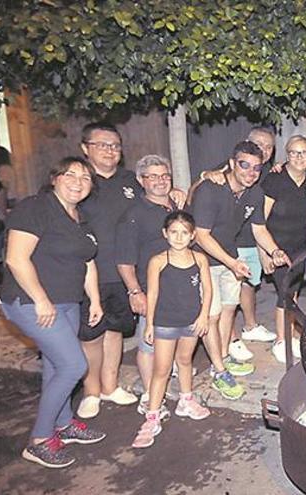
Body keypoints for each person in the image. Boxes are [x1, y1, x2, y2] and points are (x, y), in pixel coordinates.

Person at [0, 157, 106, 468]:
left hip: (68, 302)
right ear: (55, 178)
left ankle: (64, 424)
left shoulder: (79, 219)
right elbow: (17, 259)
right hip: (33, 302)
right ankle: (39, 440)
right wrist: (41, 300)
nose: (78, 181)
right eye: (70, 174)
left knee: (56, 366)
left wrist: (95, 300)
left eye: (85, 177)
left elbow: (87, 262)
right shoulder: (35, 208)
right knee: (74, 365)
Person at [191, 141, 287, 396]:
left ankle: (222, 356)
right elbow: (201, 235)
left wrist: (274, 250)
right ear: (232, 163)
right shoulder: (211, 189)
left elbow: (259, 229)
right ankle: (219, 371)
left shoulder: (254, 193)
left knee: (227, 311)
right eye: (244, 165)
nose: (250, 172)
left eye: (256, 168)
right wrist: (231, 262)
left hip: (230, 259)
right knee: (211, 316)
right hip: (204, 261)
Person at [76, 123, 144, 418]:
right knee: (91, 336)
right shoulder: (77, 181)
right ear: (85, 148)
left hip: (123, 273)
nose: (110, 150)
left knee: (115, 331)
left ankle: (110, 385)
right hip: (88, 274)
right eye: (102, 144)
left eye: (115, 145)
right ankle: (91, 392)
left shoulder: (130, 181)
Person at [132, 211, 212, 448]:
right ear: (165, 234)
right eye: (174, 232)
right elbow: (153, 293)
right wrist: (150, 324)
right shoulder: (158, 260)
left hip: (191, 321)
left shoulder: (200, 259)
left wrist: (204, 316)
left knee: (185, 361)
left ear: (193, 235)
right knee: (162, 369)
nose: (179, 237)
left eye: (184, 233)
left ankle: (186, 401)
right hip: (165, 323)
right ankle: (152, 417)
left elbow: (207, 290)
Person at [116, 155, 180, 417]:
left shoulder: (174, 205)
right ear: (142, 181)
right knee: (149, 344)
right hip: (151, 292)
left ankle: (162, 382)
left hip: (178, 289)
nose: (160, 181)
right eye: (153, 176)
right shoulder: (134, 214)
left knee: (170, 338)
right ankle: (148, 395)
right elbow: (123, 259)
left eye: (164, 175)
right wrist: (135, 291)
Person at [262, 135, 306, 364]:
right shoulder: (274, 180)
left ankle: (288, 333)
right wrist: (265, 252)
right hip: (277, 246)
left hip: (300, 246)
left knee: (292, 291)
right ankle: (280, 340)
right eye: (294, 152)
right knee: (285, 292)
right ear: (287, 155)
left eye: (304, 152)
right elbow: (261, 219)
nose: (299, 157)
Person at [233, 127, 279, 358]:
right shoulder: (235, 166)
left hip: (252, 236)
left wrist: (266, 249)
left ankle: (249, 326)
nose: (264, 149)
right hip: (232, 240)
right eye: (259, 144)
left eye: (269, 146)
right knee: (228, 295)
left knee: (248, 284)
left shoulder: (268, 171)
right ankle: (230, 340)